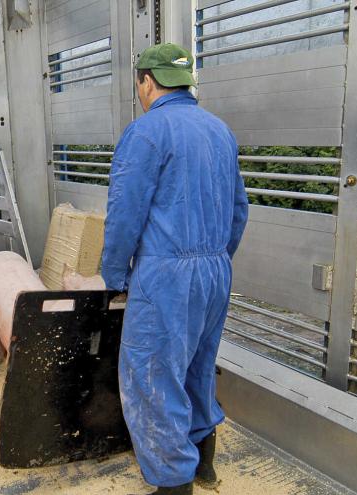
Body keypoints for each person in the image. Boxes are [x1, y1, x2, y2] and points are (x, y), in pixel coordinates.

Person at [101, 43, 249, 495]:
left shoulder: (146, 133)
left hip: (166, 275)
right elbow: (239, 209)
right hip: (215, 271)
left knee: (151, 377)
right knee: (197, 366)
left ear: (147, 82)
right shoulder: (220, 130)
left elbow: (124, 213)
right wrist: (217, 259)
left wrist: (114, 276)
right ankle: (204, 462)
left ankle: (173, 484)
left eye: (139, 85)